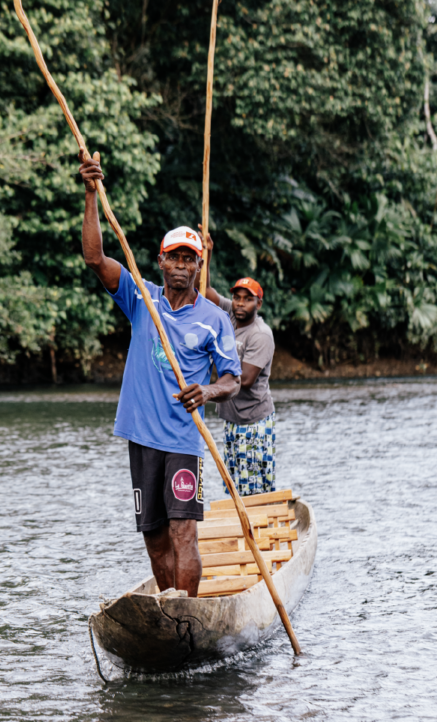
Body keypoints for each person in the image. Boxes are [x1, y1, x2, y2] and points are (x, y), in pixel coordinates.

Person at [78, 151, 242, 598]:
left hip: (183, 441)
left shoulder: (214, 319)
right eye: (175, 258)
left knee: (183, 531)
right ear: (161, 262)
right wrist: (91, 194)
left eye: (190, 259)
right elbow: (94, 258)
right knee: (153, 536)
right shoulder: (141, 298)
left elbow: (232, 380)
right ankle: (168, 607)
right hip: (142, 436)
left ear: (199, 267)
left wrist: (207, 391)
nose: (182, 266)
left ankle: (186, 613)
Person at [199, 237, 276, 496]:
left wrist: (205, 392)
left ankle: (258, 518)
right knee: (234, 482)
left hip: (253, 421)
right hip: (232, 419)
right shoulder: (230, 315)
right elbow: (204, 289)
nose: (240, 303)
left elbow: (245, 379)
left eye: (247, 299)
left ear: (258, 304)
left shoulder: (260, 334)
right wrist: (208, 254)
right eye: (237, 297)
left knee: (253, 484)